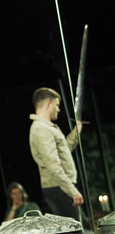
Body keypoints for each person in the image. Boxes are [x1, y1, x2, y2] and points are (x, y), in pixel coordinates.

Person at [29, 87, 83, 221]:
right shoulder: (41, 129)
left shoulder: (46, 127)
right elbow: (52, 164)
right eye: (57, 105)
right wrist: (72, 190)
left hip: (60, 186)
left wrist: (75, 134)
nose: (58, 109)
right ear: (49, 104)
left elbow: (62, 153)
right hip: (58, 187)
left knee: (74, 228)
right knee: (73, 230)